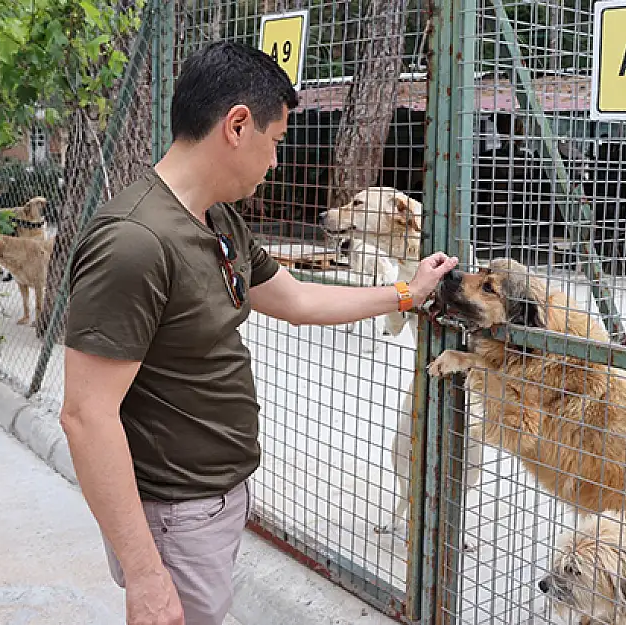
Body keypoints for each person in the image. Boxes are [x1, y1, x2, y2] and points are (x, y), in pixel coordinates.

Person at [58, 41, 458, 625]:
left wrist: (405, 292)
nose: (275, 161)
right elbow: (86, 416)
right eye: (276, 142)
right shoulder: (134, 241)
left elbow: (293, 298)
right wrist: (146, 574)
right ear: (237, 126)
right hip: (175, 514)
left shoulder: (215, 219)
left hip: (209, 502)